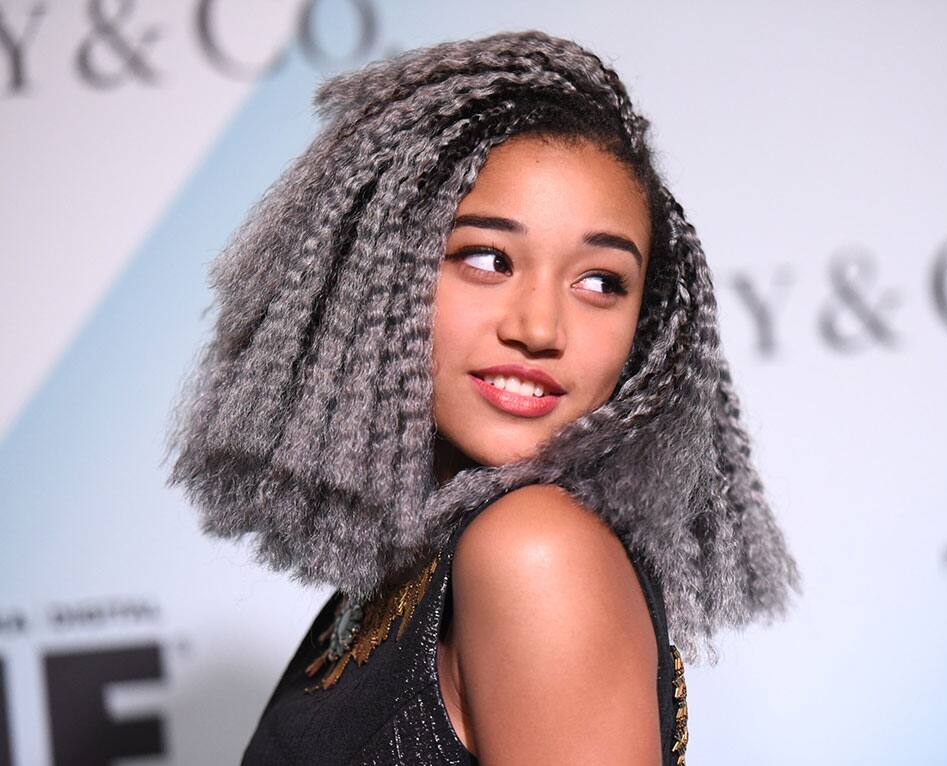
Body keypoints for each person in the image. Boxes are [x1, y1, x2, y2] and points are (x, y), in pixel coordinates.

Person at [163, 29, 801, 765]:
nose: (538, 328)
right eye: (488, 259)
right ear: (380, 271)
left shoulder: (533, 549)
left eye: (601, 282)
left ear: (646, 326)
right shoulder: (415, 561)